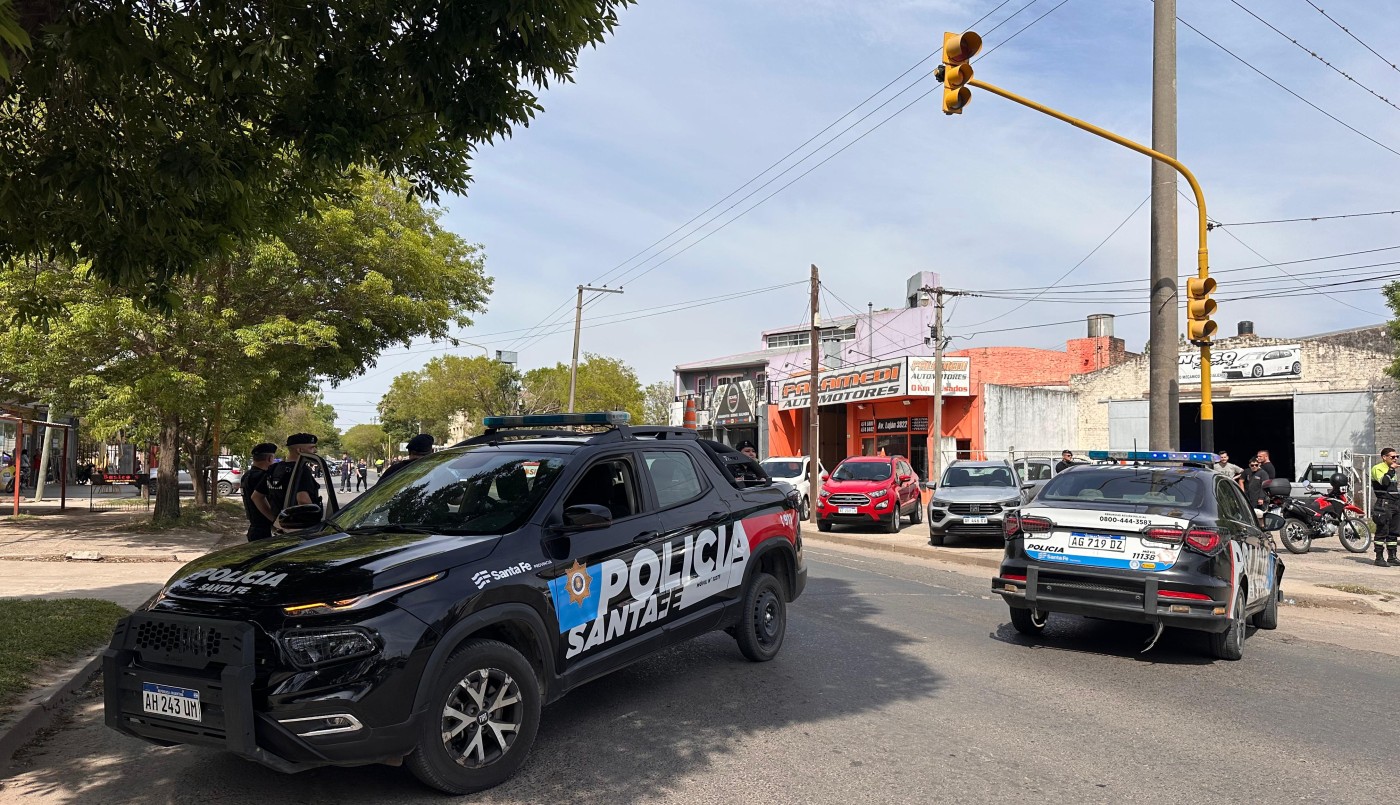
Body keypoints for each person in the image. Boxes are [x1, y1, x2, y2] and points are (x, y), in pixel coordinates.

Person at [253, 433, 322, 521]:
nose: (315, 451)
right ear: (300, 450)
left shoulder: (274, 469)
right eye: (312, 447)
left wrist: (275, 520)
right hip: (299, 529)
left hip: (281, 528)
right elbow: (303, 500)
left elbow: (256, 497)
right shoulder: (302, 470)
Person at [241, 443, 278, 541]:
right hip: (264, 530)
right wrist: (275, 521)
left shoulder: (247, 475)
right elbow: (259, 499)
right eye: (273, 458)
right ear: (270, 458)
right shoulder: (262, 477)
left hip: (254, 527)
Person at [1370, 448, 1399, 567]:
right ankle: (1379, 558)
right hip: (1384, 503)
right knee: (1382, 531)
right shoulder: (1378, 468)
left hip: (1395, 504)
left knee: (1393, 532)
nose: (1395, 459)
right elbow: (1384, 482)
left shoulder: (1391, 470)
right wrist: (1391, 469)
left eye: (1397, 456)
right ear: (1384, 457)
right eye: (1392, 457)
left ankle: (1392, 557)